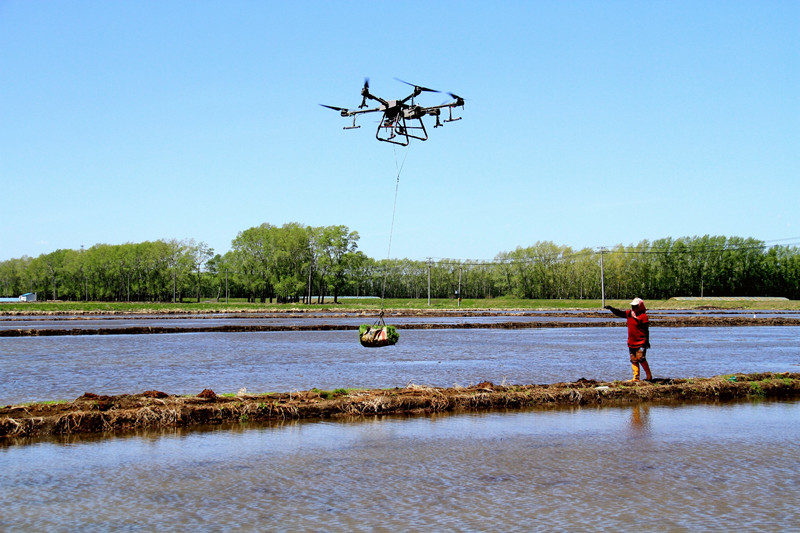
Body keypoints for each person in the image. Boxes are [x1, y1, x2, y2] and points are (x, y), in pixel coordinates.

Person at [604, 298, 652, 381]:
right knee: (633, 359)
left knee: (641, 358)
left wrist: (647, 341)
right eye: (632, 306)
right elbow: (620, 313)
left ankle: (649, 376)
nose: (633, 307)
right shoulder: (629, 313)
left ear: (640, 306)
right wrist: (611, 309)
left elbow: (646, 330)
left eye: (635, 306)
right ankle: (636, 377)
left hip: (641, 341)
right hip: (631, 342)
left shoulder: (643, 316)